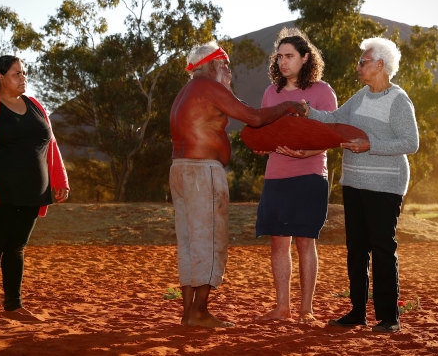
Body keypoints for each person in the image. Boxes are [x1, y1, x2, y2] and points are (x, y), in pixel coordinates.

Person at [169, 41, 307, 328]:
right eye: (225, 64)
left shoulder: (187, 91)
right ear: (214, 64)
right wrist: (289, 105)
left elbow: (238, 107)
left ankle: (188, 313)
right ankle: (200, 312)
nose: (228, 70)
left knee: (190, 243)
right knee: (210, 242)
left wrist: (227, 89)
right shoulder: (208, 86)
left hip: (180, 171)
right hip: (202, 172)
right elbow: (254, 118)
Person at [304, 37, 419, 333]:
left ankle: (389, 317)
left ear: (380, 65)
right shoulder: (361, 96)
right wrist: (306, 111)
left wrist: (370, 145)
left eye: (363, 62)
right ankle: (357, 312)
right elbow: (332, 119)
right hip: (354, 183)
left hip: (386, 185)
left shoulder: (398, 99)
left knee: (382, 248)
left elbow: (411, 143)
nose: (358, 67)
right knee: (356, 249)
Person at [0, 55, 69, 321]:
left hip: (33, 192)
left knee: (17, 248)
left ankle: (13, 306)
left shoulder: (35, 105)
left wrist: (60, 179)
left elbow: (50, 144)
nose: (23, 78)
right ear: (0, 77)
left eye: (24, 73)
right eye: (17, 74)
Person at [254, 28, 337, 323]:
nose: (283, 62)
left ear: (305, 58)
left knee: (305, 241)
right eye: (280, 57)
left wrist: (308, 154)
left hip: (311, 175)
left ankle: (306, 310)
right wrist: (261, 145)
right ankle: (282, 308)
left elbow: (332, 134)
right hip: (277, 175)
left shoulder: (322, 91)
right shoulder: (270, 93)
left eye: (289, 56)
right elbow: (264, 130)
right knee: (278, 241)